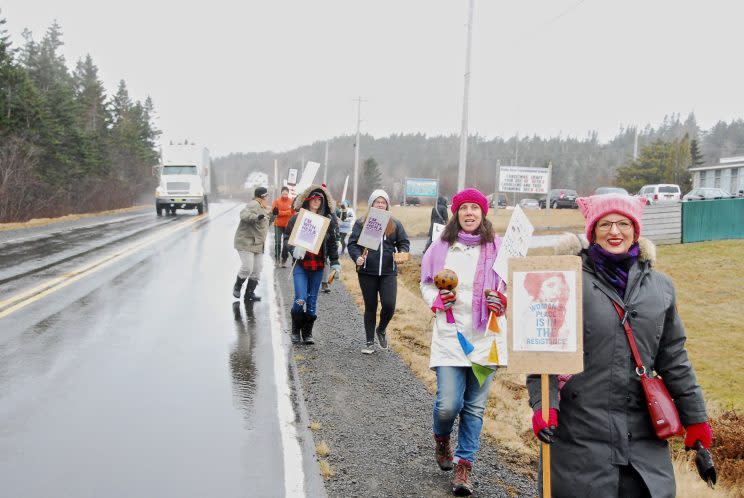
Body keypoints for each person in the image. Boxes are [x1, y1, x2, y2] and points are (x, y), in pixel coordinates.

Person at [527, 193, 713, 498]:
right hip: (580, 436)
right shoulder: (563, 281)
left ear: (636, 229)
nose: (615, 232)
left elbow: (674, 357)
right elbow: (542, 350)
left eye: (623, 223)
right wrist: (543, 405)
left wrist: (696, 419)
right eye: (606, 224)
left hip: (643, 441)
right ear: (592, 231)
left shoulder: (661, 288)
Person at [419, 188, 506, 496]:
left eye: (476, 208)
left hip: (486, 338)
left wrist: (502, 300)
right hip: (450, 336)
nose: (470, 213)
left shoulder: (498, 247)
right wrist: (438, 301)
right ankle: (442, 438)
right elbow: (426, 285)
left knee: (474, 408)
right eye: (464, 208)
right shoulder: (441, 246)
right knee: (448, 404)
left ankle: (463, 465)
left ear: (483, 213)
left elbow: (509, 286)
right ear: (456, 213)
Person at [347, 189, 410, 354]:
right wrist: (357, 257)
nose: (381, 204)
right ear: (372, 204)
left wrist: (401, 252)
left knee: (389, 305)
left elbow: (404, 242)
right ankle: (369, 342)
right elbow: (352, 244)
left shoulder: (395, 223)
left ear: (387, 205)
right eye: (377, 201)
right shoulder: (362, 222)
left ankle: (381, 329)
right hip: (367, 271)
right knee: (370, 306)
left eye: (383, 202)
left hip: (388, 272)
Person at [284, 184, 341, 345]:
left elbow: (331, 244)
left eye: (320, 200)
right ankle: (296, 329)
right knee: (300, 298)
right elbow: (287, 237)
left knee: (312, 301)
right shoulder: (297, 218)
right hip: (301, 265)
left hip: (318, 266)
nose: (317, 202)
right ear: (308, 200)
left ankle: (307, 333)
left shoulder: (326, 221)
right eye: (314, 199)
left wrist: (335, 262)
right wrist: (293, 249)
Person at [232, 187, 271, 301]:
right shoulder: (253, 204)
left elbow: (264, 223)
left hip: (257, 243)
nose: (267, 198)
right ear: (262, 197)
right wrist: (255, 217)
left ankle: (249, 294)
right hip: (246, 242)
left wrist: (273, 215)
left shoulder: (263, 208)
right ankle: (237, 286)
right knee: (247, 268)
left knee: (257, 269)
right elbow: (243, 215)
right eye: (266, 196)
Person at [271, 186, 294, 267]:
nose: (285, 195)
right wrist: (286, 212)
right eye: (283, 193)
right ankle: (277, 260)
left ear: (288, 194)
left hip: (288, 226)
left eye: (286, 194)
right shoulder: (276, 201)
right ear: (281, 193)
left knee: (286, 244)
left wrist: (281, 212)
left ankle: (284, 259)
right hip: (278, 225)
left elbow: (292, 212)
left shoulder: (291, 201)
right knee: (277, 243)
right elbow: (274, 212)